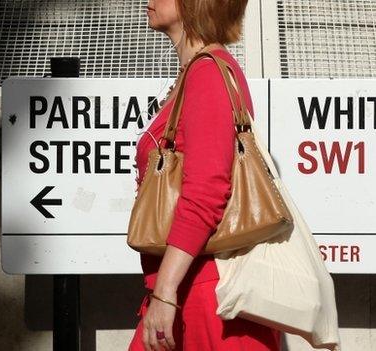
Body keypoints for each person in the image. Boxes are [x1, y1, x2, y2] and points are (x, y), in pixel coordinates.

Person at [128, 1, 282, 350]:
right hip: (191, 288)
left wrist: (165, 293)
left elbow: (206, 192)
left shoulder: (208, 74)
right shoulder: (198, 73)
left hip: (207, 298)